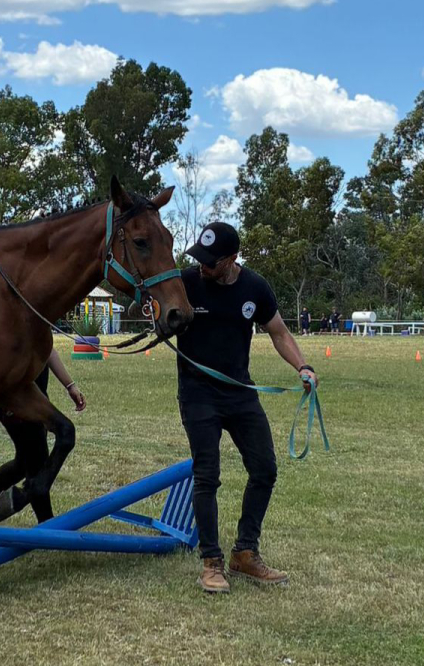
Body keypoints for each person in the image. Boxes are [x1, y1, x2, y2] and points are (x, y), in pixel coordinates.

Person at [178, 222, 318, 594]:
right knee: (207, 475)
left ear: (231, 259)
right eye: (200, 259)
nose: (203, 266)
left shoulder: (255, 288)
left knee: (265, 469)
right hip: (198, 393)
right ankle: (211, 562)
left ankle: (245, 553)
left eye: (211, 261)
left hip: (240, 392)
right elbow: (159, 310)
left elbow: (279, 332)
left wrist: (302, 366)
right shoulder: (187, 282)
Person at [0, 348, 87, 524]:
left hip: (36, 398)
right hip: (14, 399)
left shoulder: (36, 322)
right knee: (37, 462)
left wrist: (70, 386)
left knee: (24, 463)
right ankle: (47, 527)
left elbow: (48, 349)